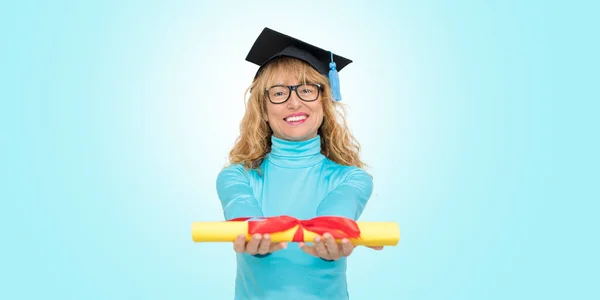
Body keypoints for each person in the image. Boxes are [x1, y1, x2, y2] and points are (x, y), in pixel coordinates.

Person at [216, 27, 382, 300]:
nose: (294, 102)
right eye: (279, 93)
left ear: (324, 103)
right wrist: (251, 228)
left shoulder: (352, 179)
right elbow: (243, 211)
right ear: (264, 111)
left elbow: (334, 215)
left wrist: (331, 232)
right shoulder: (238, 177)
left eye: (307, 90)